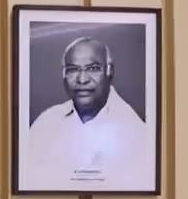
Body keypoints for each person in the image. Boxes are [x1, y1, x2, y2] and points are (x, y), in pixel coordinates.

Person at [27, 36, 151, 190]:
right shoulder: (45, 123)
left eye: (93, 68)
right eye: (73, 70)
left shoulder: (137, 132)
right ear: (63, 75)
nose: (82, 79)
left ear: (109, 71)